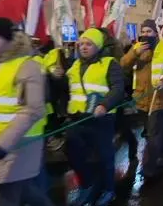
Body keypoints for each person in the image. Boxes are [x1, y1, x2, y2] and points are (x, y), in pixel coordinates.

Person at [0, 18, 52, 206]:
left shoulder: (27, 66)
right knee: (22, 191)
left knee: (4, 195)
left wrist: (3, 144)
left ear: (10, 39)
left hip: (17, 144)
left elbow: (33, 109)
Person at [64, 28, 125, 206]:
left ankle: (108, 190)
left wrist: (104, 105)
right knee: (73, 151)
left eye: (88, 44)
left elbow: (117, 88)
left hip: (101, 118)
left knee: (104, 156)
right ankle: (87, 184)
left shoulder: (109, 63)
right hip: (78, 118)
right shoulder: (74, 65)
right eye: (81, 44)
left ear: (97, 46)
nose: (83, 47)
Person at [120, 19, 163, 179]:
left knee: (153, 135)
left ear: (156, 33)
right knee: (152, 132)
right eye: (143, 31)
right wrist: (134, 53)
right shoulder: (136, 49)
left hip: (159, 100)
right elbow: (122, 65)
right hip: (142, 100)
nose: (145, 34)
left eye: (149, 31)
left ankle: (148, 168)